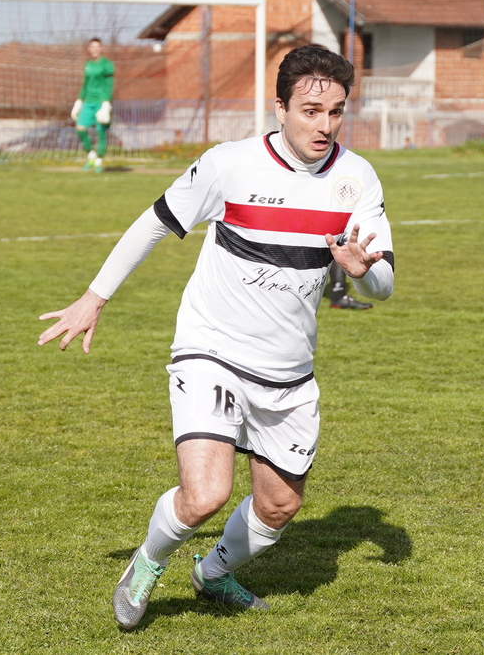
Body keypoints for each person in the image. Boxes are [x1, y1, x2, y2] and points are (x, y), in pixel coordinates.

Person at [38, 44, 394, 629]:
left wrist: (363, 271)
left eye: (335, 111)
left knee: (280, 505)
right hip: (213, 349)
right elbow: (154, 224)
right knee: (204, 494)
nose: (324, 125)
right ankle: (148, 563)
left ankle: (211, 572)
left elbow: (384, 283)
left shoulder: (356, 177)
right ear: (279, 107)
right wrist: (93, 298)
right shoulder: (230, 164)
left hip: (289, 371)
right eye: (310, 110)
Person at [72, 38, 115, 173]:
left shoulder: (107, 65)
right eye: (92, 46)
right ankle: (91, 155)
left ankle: (99, 161)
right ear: (89, 49)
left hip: (101, 102)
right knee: (80, 128)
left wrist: (106, 103)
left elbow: (109, 85)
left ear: (101, 48)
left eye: (97, 46)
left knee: (100, 131)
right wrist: (78, 101)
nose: (95, 49)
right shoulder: (87, 65)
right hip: (88, 101)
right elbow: (85, 85)